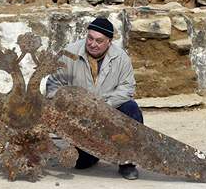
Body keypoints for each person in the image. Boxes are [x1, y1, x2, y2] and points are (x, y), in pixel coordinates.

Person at [46, 17, 144, 180]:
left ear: (109, 42)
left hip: (109, 109)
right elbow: (53, 85)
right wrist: (72, 104)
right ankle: (93, 153)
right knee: (81, 163)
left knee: (131, 108)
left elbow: (127, 87)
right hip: (79, 114)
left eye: (99, 41)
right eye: (90, 38)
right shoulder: (69, 54)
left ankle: (127, 161)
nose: (92, 43)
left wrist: (106, 105)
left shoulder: (121, 58)